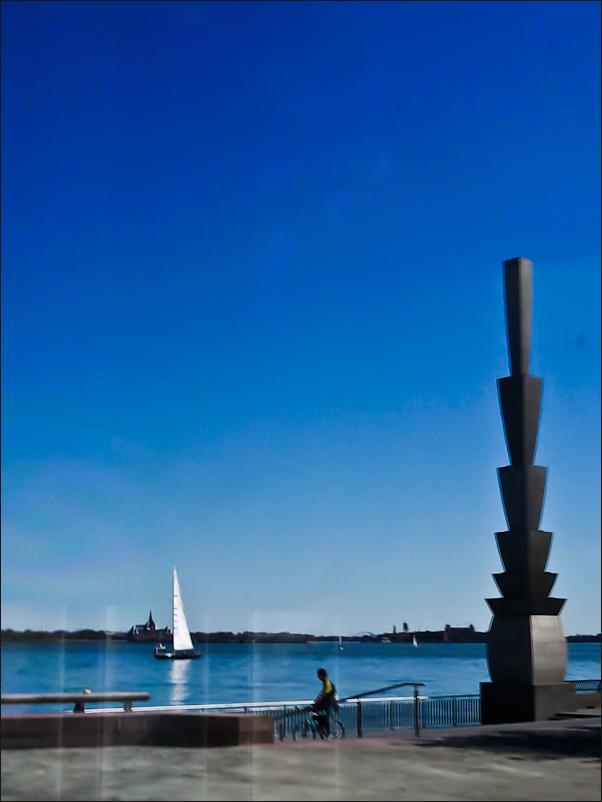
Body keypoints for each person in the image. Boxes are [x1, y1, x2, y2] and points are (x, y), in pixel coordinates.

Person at [310, 668, 338, 738]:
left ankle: (329, 733)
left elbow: (324, 694)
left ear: (322, 675)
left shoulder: (327, 683)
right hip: (326, 703)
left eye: (318, 675)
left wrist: (317, 702)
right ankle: (323, 729)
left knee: (327, 718)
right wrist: (315, 701)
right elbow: (321, 693)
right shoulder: (325, 683)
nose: (318, 677)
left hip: (330, 703)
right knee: (318, 714)